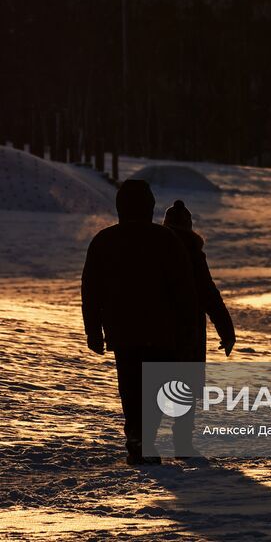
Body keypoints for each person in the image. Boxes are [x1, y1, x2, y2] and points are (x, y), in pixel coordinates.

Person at [81, 179, 198, 465]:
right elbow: (184, 289)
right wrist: (186, 330)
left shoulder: (104, 240)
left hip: (123, 331)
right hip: (161, 331)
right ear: (149, 207)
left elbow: (90, 290)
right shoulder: (166, 240)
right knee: (156, 385)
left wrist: (94, 331)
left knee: (131, 385)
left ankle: (138, 436)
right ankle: (142, 438)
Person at [162, 199, 235, 456]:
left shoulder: (152, 249)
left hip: (156, 328)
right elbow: (209, 294)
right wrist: (226, 330)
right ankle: (182, 443)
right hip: (187, 330)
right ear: (189, 226)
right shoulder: (193, 250)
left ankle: (143, 442)